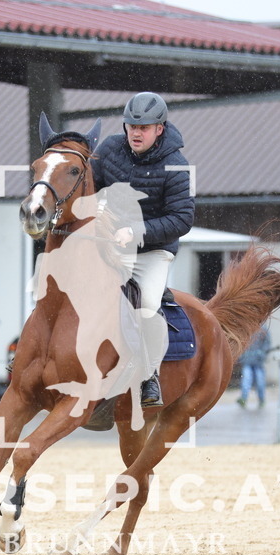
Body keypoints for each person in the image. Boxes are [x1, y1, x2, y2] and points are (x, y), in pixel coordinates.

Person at [90, 92, 196, 407]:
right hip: (110, 245)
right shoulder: (109, 149)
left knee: (147, 305)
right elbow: (90, 188)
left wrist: (138, 231)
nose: (136, 133)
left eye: (144, 127)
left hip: (153, 252)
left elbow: (183, 219)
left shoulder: (178, 165)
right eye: (131, 126)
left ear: (160, 129)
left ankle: (149, 378)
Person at [237, 324, 272, 409]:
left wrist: (262, 353)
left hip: (258, 362)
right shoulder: (247, 328)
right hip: (248, 360)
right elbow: (241, 342)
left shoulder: (263, 329)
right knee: (246, 381)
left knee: (260, 382)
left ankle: (261, 399)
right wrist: (242, 355)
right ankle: (243, 398)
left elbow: (267, 343)